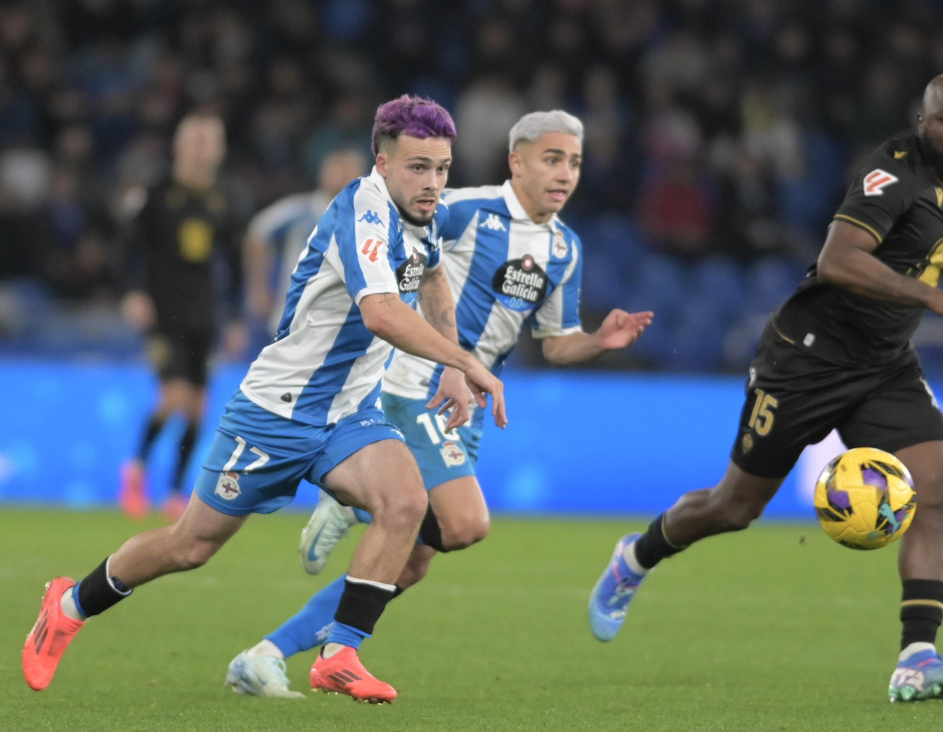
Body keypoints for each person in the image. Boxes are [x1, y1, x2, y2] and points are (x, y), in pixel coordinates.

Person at [22, 95, 508, 705]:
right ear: (381, 163)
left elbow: (433, 275)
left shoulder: (423, 213)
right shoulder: (363, 208)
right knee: (189, 546)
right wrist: (463, 360)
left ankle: (340, 654)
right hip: (277, 411)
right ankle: (68, 604)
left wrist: (453, 372)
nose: (433, 182)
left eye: (441, 168)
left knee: (406, 502)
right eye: (418, 167)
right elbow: (381, 313)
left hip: (347, 416)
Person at [586, 73, 943, 704]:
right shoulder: (893, 173)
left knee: (937, 492)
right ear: (923, 122)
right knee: (733, 508)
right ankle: (634, 558)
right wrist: (934, 298)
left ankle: (917, 657)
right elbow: (837, 260)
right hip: (806, 360)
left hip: (883, 364)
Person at [222, 110, 653, 698]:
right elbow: (395, 246)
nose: (565, 173)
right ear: (517, 161)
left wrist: (599, 340)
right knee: (467, 520)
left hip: (467, 404)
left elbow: (554, 345)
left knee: (418, 558)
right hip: (416, 381)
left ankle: (267, 652)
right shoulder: (462, 208)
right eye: (552, 159)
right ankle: (361, 502)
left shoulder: (564, 249)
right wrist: (446, 353)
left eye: (575, 162)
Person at [118, 111, 248, 521]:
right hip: (164, 314)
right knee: (171, 399)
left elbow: (236, 262)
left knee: (197, 407)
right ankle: (136, 468)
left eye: (211, 141)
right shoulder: (156, 195)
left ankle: (175, 491)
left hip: (204, 315)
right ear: (179, 145)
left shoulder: (224, 199)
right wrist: (133, 292)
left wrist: (237, 316)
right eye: (196, 140)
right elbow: (127, 250)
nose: (203, 148)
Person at [243, 148, 368, 333]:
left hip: (346, 325)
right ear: (323, 172)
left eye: (349, 168)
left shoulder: (369, 220)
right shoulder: (299, 211)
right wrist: (258, 288)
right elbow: (257, 233)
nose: (343, 174)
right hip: (295, 321)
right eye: (337, 167)